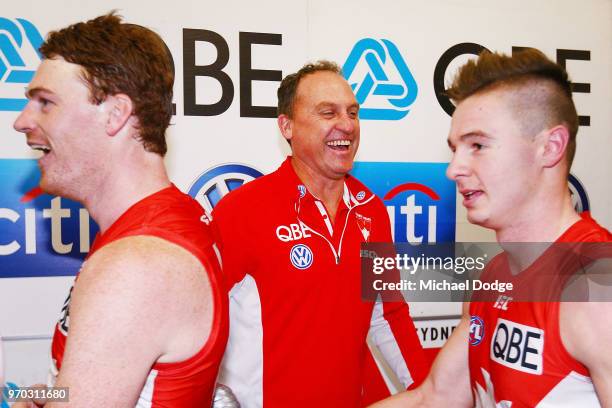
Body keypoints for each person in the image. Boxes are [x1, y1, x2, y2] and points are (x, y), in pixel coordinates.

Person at [371, 49, 612, 407]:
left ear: (550, 148)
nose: (454, 169)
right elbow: (434, 397)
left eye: (478, 145)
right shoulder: (493, 276)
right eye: (455, 149)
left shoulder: (594, 283)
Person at [12, 13, 227, 407]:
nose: (22, 121)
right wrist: (52, 394)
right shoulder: (158, 225)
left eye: (46, 103)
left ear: (115, 114)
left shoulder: (136, 264)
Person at [211, 61, 427, 407]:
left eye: (352, 113)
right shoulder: (242, 211)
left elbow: (387, 316)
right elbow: (200, 325)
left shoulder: (370, 209)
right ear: (287, 126)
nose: (346, 125)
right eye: (328, 113)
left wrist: (431, 393)